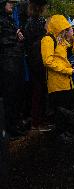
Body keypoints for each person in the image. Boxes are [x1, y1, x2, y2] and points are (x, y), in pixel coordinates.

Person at [41, 15, 74, 117]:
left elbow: (60, 59)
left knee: (66, 111)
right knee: (60, 112)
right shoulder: (48, 39)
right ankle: (61, 132)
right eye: (64, 28)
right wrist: (67, 70)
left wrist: (69, 67)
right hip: (57, 84)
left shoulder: (59, 40)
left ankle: (66, 131)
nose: (65, 30)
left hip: (66, 82)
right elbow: (48, 62)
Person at [0, 0, 26, 137]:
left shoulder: (8, 19)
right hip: (7, 64)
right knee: (10, 97)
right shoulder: (2, 20)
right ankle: (10, 129)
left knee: (16, 95)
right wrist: (16, 37)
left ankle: (14, 124)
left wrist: (18, 37)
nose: (12, 5)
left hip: (14, 62)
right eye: (9, 2)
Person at [24, 0, 48, 130]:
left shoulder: (30, 21)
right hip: (38, 61)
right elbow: (36, 43)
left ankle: (36, 121)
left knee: (37, 92)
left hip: (34, 60)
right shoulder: (37, 22)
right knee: (39, 92)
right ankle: (37, 122)